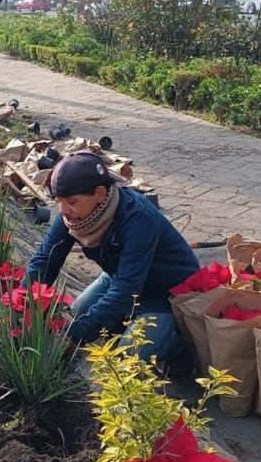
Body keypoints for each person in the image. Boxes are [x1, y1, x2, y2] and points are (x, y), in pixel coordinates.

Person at [25, 150, 200, 372]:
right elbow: (45, 260)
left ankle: (177, 343)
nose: (63, 210)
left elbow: (126, 292)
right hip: (122, 277)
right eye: (59, 201)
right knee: (78, 313)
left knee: (128, 356)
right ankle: (126, 324)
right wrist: (22, 303)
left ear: (99, 193)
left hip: (167, 294)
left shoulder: (137, 220)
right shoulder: (72, 217)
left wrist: (73, 336)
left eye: (71, 202)